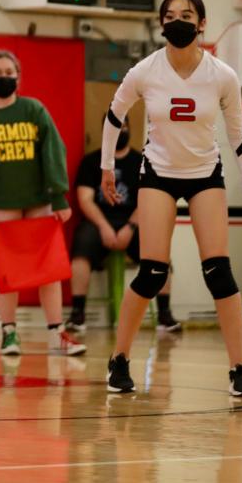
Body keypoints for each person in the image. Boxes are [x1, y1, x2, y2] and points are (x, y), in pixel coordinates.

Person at [101, 0, 242, 398]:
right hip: (158, 173)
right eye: (170, 15)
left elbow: (239, 139)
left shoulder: (223, 75)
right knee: (153, 271)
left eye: (187, 14)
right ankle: (119, 360)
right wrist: (106, 166)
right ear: (161, 24)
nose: (178, 20)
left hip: (205, 174)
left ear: (202, 23)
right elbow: (113, 115)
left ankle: (239, 369)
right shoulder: (145, 70)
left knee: (219, 272)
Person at [0, 49, 85, 357]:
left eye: (9, 72)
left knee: (47, 269)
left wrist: (58, 195)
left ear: (18, 77)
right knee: (8, 271)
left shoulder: (34, 110)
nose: (4, 77)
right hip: (1, 201)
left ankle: (56, 334)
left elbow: (53, 152)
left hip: (39, 200)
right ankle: (9, 333)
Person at [67, 125, 182, 334]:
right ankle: (78, 313)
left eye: (124, 126)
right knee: (80, 247)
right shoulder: (91, 162)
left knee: (160, 254)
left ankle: (165, 315)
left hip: (133, 221)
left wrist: (130, 227)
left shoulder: (141, 162)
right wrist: (104, 227)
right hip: (99, 222)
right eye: (115, 127)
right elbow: (84, 200)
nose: (121, 131)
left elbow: (148, 200)